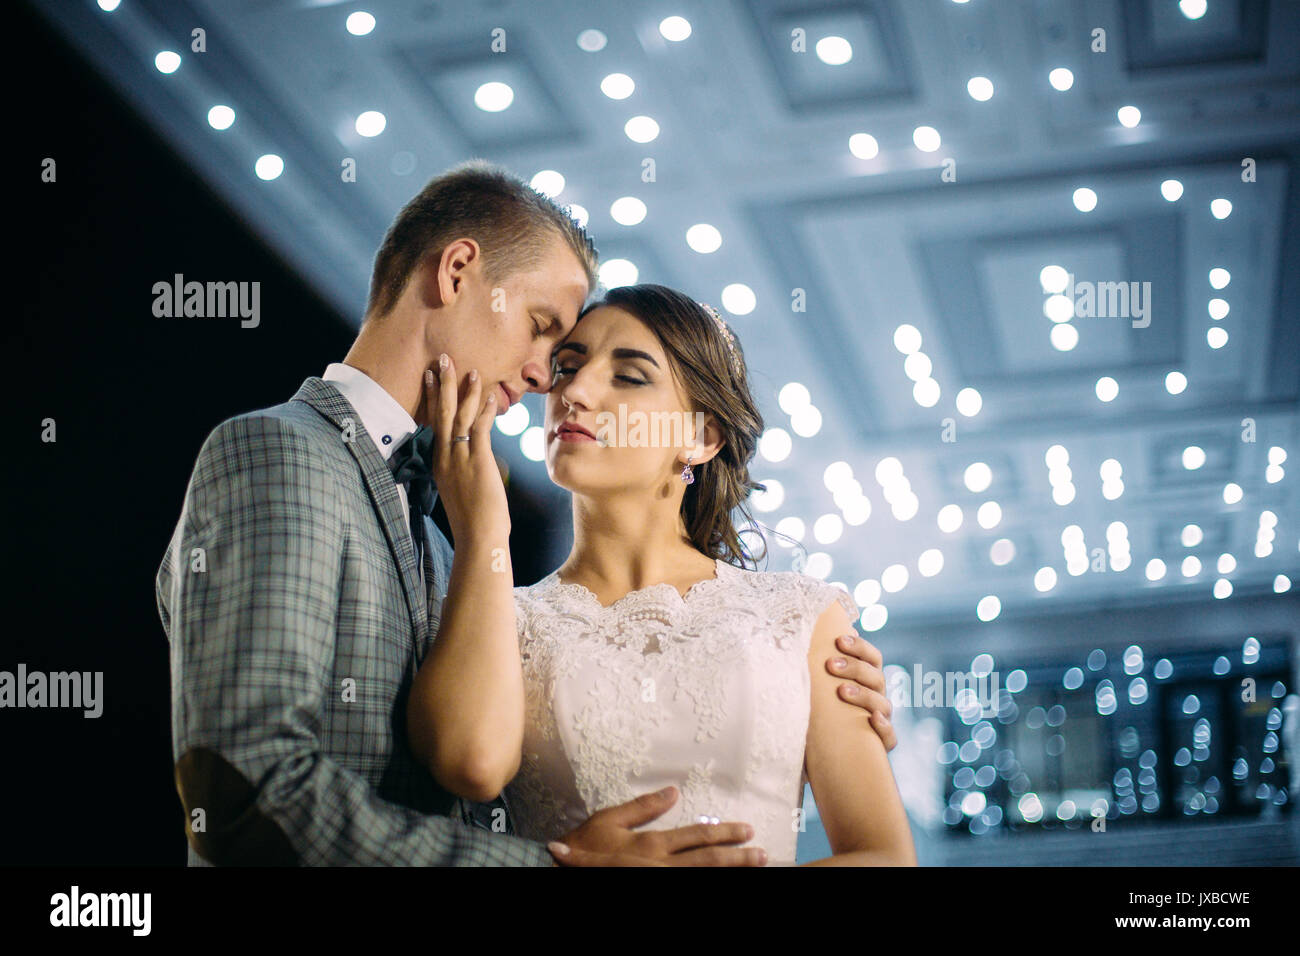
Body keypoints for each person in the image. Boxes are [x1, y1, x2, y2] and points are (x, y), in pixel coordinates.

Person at [155, 160, 896, 866]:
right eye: (547, 332)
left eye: (621, 373)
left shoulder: (444, 552)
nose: (550, 380)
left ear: (702, 438)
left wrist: (800, 696)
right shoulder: (278, 452)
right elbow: (242, 792)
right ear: (456, 272)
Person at [409, 281, 916, 866]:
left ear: (700, 437)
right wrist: (483, 534)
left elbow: (884, 856)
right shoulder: (504, 618)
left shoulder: (800, 616)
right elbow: (463, 758)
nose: (575, 389)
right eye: (567, 366)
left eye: (628, 376)